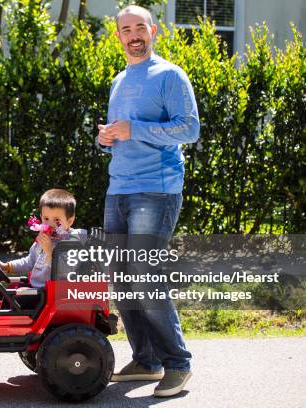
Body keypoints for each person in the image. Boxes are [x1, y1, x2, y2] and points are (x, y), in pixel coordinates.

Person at [96, 5, 199, 398]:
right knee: (122, 283)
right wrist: (104, 138)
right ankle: (146, 360)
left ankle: (178, 364)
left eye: (140, 27)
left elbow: (188, 129)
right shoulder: (119, 80)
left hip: (155, 189)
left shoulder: (170, 75)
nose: (134, 34)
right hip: (118, 188)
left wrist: (133, 128)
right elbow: (120, 134)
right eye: (126, 29)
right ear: (118, 35)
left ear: (153, 31)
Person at [0, 189, 83, 305]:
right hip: (36, 288)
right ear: (41, 217)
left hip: (52, 294)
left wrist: (50, 252)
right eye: (46, 219)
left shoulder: (71, 242)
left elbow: (66, 271)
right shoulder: (43, 238)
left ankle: (6, 322)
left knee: (13, 300)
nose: (50, 224)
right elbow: (30, 261)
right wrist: (6, 266)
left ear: (70, 221)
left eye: (57, 220)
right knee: (8, 290)